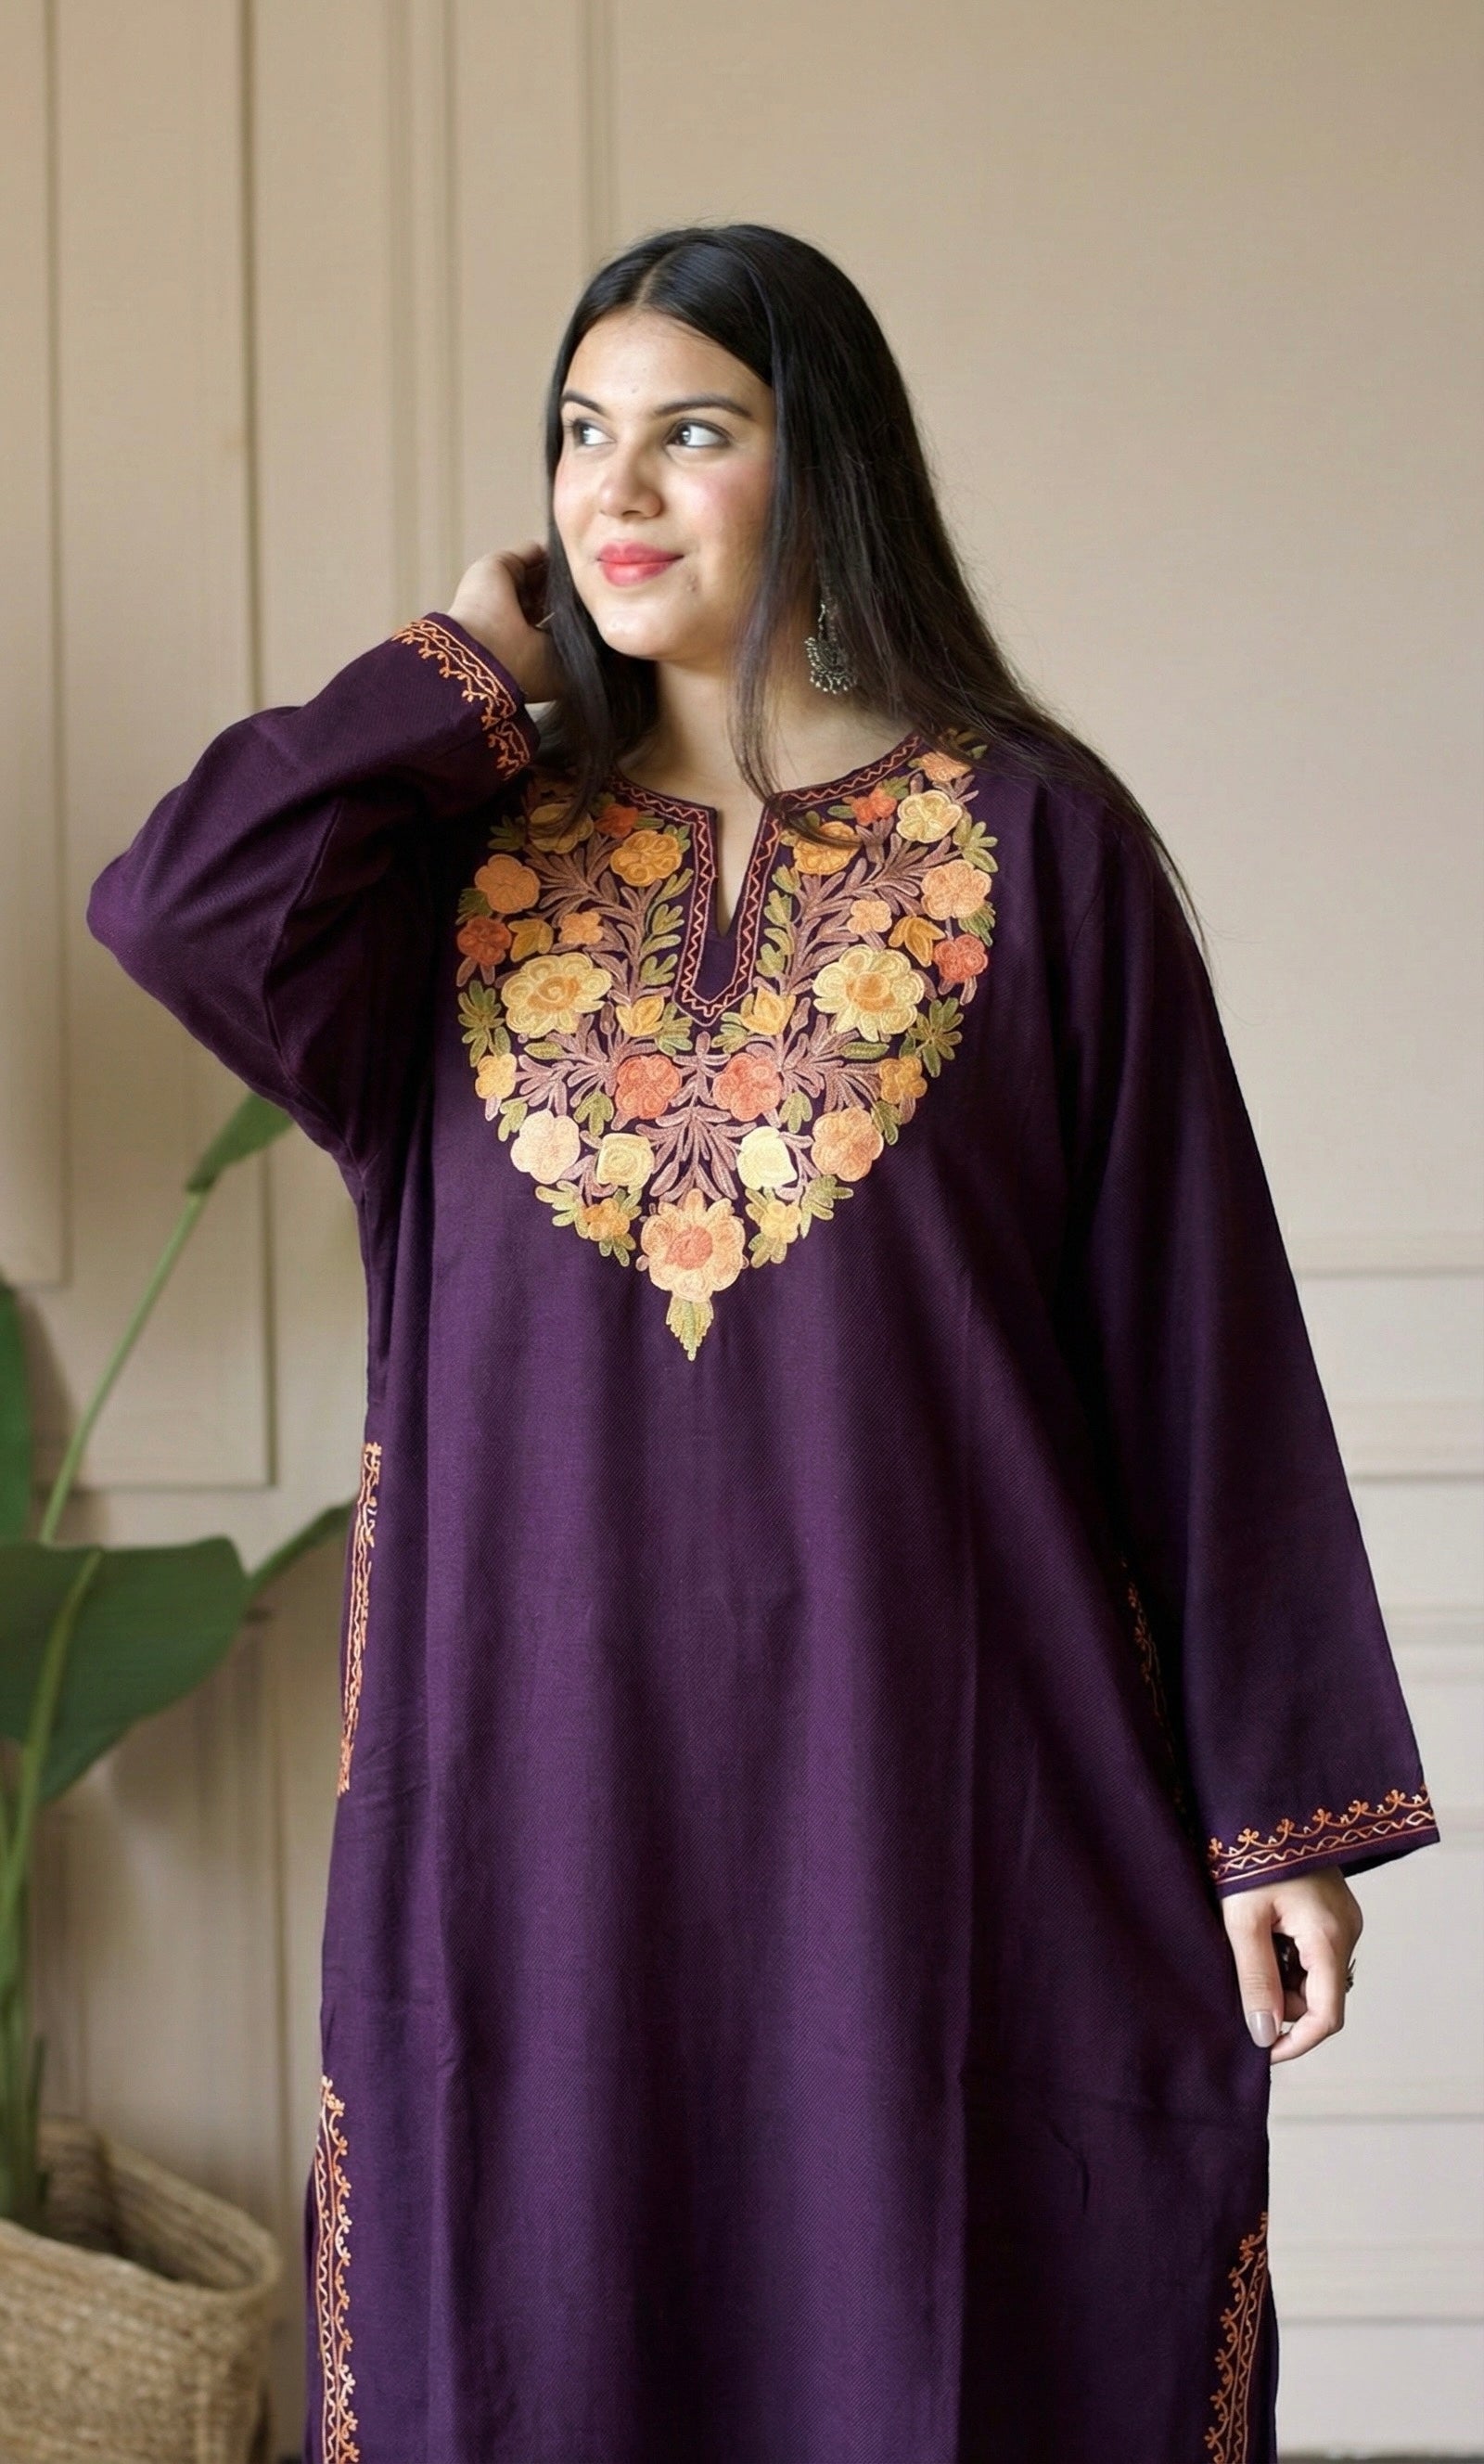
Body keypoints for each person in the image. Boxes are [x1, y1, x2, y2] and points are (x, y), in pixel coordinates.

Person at [86, 221, 1440, 2464]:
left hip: (943, 1798)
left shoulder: (1039, 845)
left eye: (690, 432)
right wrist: (456, 675)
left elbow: (1190, 1346)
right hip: (537, 1802)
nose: (614, 488)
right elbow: (177, 899)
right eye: (579, 433)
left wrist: (1270, 1814)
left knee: (964, 2303)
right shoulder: (449, 876)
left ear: (826, 467)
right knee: (539, 2299)